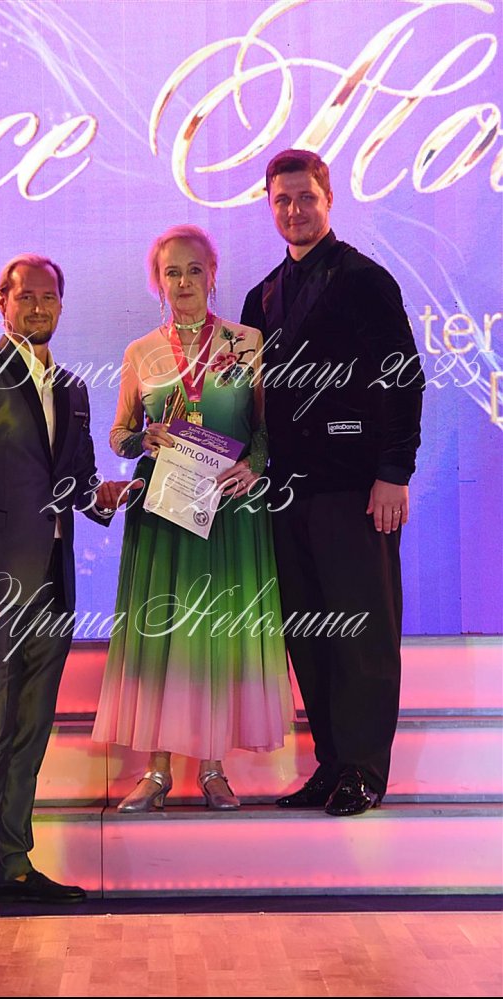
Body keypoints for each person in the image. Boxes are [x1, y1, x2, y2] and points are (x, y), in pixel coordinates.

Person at [0, 253, 134, 916]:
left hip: (52, 586)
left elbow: (76, 482)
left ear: (61, 305)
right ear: (4, 302)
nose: (39, 307)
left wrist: (114, 493)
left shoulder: (72, 388)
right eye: (27, 297)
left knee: (29, 730)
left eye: (49, 297)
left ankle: (13, 863)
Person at [241, 149, 424, 816]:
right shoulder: (261, 295)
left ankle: (365, 770)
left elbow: (405, 378)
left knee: (361, 633)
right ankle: (332, 764)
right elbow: (250, 400)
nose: (294, 210)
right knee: (309, 633)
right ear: (270, 207)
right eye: (282, 200)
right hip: (286, 492)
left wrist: (393, 472)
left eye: (305, 198)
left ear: (328, 199)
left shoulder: (366, 280)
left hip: (355, 487)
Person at [92, 224, 293, 811]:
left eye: (194, 269)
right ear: (157, 281)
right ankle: (156, 772)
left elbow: (266, 428)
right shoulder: (141, 351)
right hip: (165, 511)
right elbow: (119, 434)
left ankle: (212, 768)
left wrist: (255, 465)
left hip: (230, 508)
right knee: (164, 632)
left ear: (213, 274)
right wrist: (143, 439)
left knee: (218, 632)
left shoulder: (246, 342)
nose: (183, 282)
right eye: (171, 272)